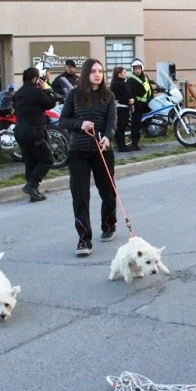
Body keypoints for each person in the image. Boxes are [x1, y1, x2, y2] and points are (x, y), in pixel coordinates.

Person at [59, 58, 117, 257]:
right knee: (80, 195)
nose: (98, 74)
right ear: (86, 74)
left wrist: (108, 137)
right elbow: (63, 121)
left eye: (100, 71)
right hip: (78, 152)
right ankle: (84, 239)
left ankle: (109, 223)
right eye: (93, 71)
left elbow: (112, 122)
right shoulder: (74, 95)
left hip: (103, 151)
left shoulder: (109, 96)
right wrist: (80, 124)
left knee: (108, 192)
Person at [12, 66, 56, 202]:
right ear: (35, 78)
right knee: (47, 159)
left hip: (20, 131)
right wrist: (47, 89)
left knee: (30, 162)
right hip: (34, 131)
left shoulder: (18, 93)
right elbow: (50, 104)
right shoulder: (36, 92)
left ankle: (33, 193)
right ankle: (32, 185)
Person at [126, 58, 153, 151]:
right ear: (132, 69)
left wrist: (152, 97)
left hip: (147, 103)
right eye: (135, 68)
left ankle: (149, 132)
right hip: (138, 105)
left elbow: (149, 88)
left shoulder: (145, 77)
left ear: (142, 68)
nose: (137, 70)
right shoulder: (130, 80)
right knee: (135, 125)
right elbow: (130, 93)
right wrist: (133, 104)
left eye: (139, 68)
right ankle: (134, 144)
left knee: (154, 115)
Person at [110, 66, 134, 152]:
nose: (126, 74)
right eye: (124, 72)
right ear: (119, 74)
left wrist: (132, 99)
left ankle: (122, 145)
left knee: (123, 127)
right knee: (120, 127)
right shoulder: (116, 84)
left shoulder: (123, 82)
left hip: (125, 107)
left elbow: (128, 93)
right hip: (120, 108)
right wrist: (129, 101)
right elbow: (120, 96)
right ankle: (121, 146)